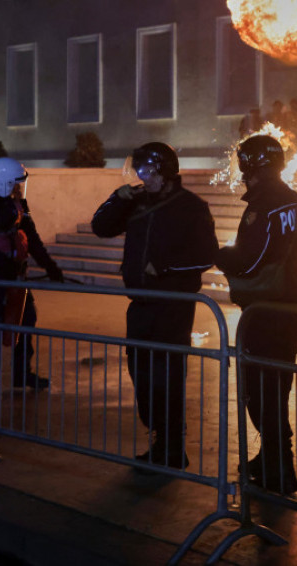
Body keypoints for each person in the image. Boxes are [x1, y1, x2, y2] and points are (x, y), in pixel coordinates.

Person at [91, 142, 218, 469]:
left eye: (145, 171)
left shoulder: (191, 207)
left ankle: (173, 446)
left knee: (167, 374)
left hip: (173, 304)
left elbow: (206, 255)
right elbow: (101, 227)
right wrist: (116, 200)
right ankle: (159, 436)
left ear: (162, 171)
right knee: (141, 371)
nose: (140, 177)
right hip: (142, 302)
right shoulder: (137, 201)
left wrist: (164, 266)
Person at [216, 134, 297, 494]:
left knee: (259, 390)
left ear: (253, 165)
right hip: (292, 306)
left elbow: (250, 259)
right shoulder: (296, 201)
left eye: (244, 163)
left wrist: (219, 255)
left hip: (267, 309)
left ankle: (279, 466)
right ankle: (273, 457)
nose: (241, 172)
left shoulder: (265, 205)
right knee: (276, 385)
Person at [0, 157, 63, 402]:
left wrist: (51, 267)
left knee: (26, 319)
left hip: (14, 275)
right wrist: (5, 266)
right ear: (2, 182)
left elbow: (32, 237)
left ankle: (21, 374)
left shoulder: (16, 204)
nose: (18, 188)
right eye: (15, 184)